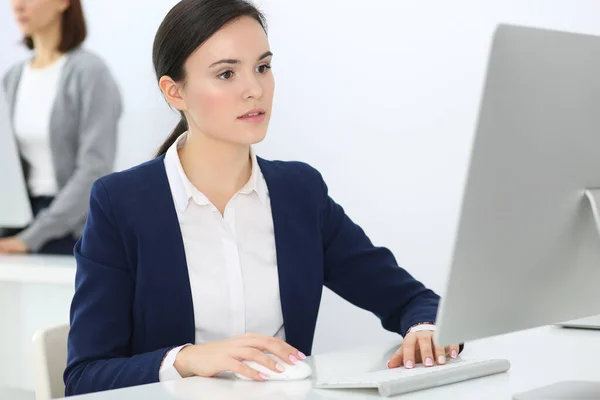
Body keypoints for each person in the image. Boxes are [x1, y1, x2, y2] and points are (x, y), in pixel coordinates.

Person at [64, 0, 461, 396]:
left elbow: (412, 300)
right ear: (175, 92)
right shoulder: (120, 203)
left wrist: (424, 330)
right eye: (226, 73)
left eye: (262, 67)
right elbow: (84, 377)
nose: (254, 89)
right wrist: (186, 359)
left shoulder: (299, 193)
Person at [0, 0, 122, 255]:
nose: (17, 6)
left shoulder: (90, 73)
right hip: (16, 221)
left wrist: (30, 238)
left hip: (70, 229)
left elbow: (94, 170)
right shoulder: (12, 77)